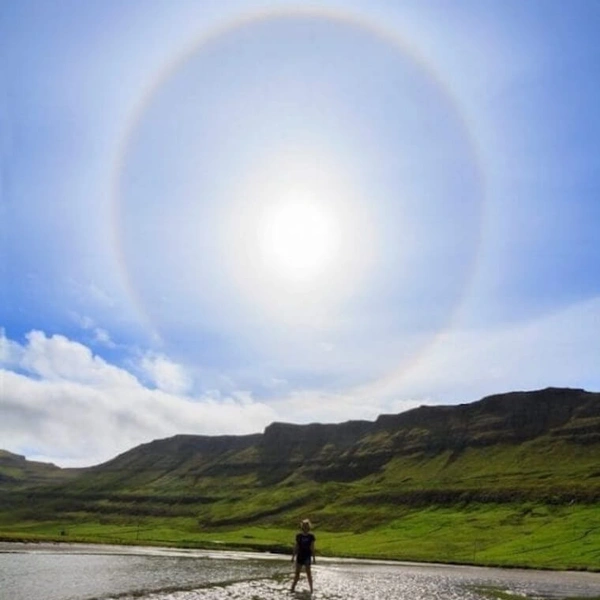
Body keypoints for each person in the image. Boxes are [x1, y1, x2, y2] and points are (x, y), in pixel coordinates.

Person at [291, 518, 316, 594]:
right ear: (302, 527)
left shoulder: (311, 536)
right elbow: (296, 546)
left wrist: (314, 558)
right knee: (297, 574)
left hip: (307, 556)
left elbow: (312, 547)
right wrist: (293, 556)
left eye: (306, 526)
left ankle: (311, 589)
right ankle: (292, 589)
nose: (305, 528)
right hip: (300, 556)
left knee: (309, 573)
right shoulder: (299, 536)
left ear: (309, 527)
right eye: (304, 526)